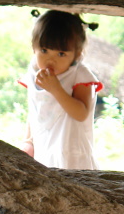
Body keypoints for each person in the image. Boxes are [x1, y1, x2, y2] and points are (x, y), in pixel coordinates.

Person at [18, 10, 103, 169]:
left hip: (71, 153)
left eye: (61, 54)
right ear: (33, 47)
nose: (51, 59)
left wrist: (56, 89)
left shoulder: (79, 75)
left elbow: (81, 113)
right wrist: (28, 140)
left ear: (77, 55)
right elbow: (36, 107)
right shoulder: (34, 71)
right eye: (44, 51)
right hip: (45, 149)